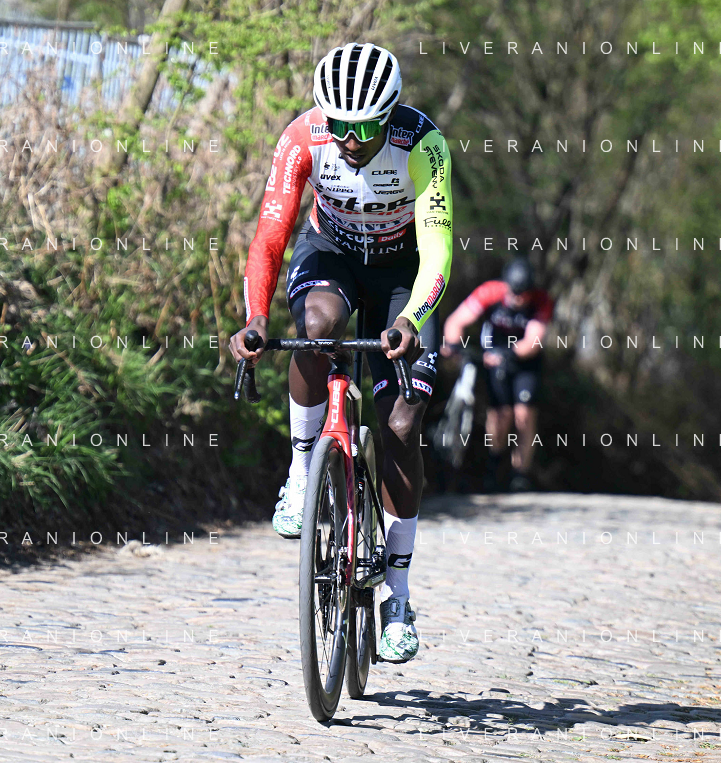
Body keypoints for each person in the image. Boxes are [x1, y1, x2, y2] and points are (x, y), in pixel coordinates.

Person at [229, 43, 454, 664]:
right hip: (331, 254)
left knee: (401, 423)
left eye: (366, 128)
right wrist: (255, 317)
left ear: (390, 115)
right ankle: (302, 472)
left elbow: (438, 248)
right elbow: (270, 235)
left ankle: (398, 598)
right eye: (340, 125)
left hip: (403, 274)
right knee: (316, 327)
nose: (351, 140)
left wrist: (411, 319)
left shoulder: (423, 144)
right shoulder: (303, 137)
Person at [440, 257, 553, 491]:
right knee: (500, 414)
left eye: (524, 293)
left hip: (525, 362)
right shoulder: (490, 292)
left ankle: (520, 474)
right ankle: (494, 465)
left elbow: (533, 341)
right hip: (493, 358)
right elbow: (456, 321)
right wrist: (453, 345)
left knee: (523, 414)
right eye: (515, 292)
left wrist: (507, 353)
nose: (518, 298)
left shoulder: (541, 301)